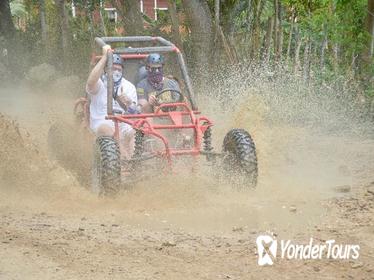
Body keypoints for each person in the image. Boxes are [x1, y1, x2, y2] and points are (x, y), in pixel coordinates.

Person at [86, 45, 137, 159]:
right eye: (113, 68)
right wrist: (105, 57)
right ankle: (125, 160)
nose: (116, 72)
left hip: (123, 124)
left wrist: (128, 104)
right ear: (106, 69)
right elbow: (90, 83)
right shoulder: (99, 84)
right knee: (108, 131)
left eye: (119, 69)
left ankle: (135, 161)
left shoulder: (129, 87)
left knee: (135, 133)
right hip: (102, 124)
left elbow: (135, 114)